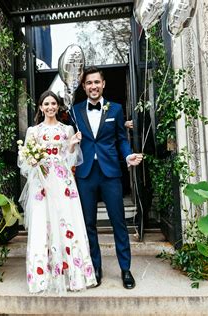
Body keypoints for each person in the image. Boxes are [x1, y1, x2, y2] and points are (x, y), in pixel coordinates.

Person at [70, 66, 143, 289]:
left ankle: (125, 269)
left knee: (118, 222)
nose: (93, 86)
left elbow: (121, 138)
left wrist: (128, 154)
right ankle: (95, 268)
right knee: (89, 224)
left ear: (103, 84)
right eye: (89, 83)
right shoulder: (75, 111)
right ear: (83, 87)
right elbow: (70, 140)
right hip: (85, 174)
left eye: (96, 82)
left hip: (111, 173)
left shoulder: (116, 109)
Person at [18, 90, 97, 294]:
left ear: (58, 106)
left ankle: (75, 275)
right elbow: (24, 162)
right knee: (42, 223)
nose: (50, 107)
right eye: (46, 104)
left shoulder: (67, 129)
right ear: (41, 107)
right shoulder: (33, 132)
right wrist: (34, 161)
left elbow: (72, 160)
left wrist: (71, 146)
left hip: (63, 181)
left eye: (53, 103)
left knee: (67, 220)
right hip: (42, 183)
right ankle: (42, 277)